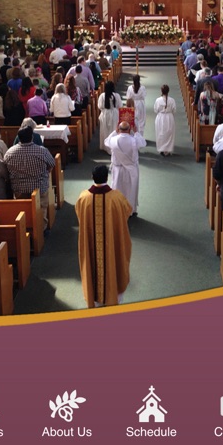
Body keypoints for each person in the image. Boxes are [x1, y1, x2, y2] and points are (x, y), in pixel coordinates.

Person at [75, 164, 132, 308]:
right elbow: (127, 211)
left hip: (92, 242)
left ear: (92, 177)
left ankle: (95, 299)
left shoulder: (83, 197)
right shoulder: (116, 197)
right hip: (111, 242)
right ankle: (113, 296)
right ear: (107, 177)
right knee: (114, 260)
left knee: (92, 264)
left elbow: (79, 215)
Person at [4, 125, 55, 229]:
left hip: (19, 188)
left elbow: (6, 168)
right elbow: (52, 164)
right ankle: (42, 229)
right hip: (39, 186)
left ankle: (25, 228)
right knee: (40, 209)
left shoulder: (10, 152)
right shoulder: (42, 151)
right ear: (32, 137)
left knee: (22, 209)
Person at [104, 122, 146, 215]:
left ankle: (118, 210)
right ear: (129, 129)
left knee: (117, 188)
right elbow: (143, 143)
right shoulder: (134, 140)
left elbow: (106, 141)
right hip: (131, 170)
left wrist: (115, 132)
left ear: (118, 129)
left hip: (117, 169)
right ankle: (130, 210)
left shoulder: (113, 140)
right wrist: (136, 133)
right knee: (131, 189)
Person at [98, 81, 123, 153]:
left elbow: (100, 106)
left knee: (105, 130)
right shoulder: (116, 95)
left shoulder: (102, 95)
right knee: (113, 130)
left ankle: (106, 147)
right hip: (114, 114)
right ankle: (113, 146)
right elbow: (120, 106)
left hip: (105, 114)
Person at [154, 84, 176, 156]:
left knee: (160, 133)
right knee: (169, 133)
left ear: (161, 91)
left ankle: (162, 149)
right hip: (169, 117)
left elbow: (156, 110)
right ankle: (168, 150)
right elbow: (174, 110)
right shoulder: (172, 100)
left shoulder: (158, 100)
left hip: (160, 117)